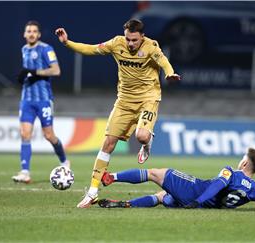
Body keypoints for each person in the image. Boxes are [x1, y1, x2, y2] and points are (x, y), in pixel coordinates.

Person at [55, 19, 181, 208]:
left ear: (142, 37)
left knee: (141, 135)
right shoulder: (116, 43)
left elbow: (163, 61)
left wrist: (170, 73)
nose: (130, 43)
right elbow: (90, 49)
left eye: (134, 40)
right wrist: (67, 42)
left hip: (148, 97)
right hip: (124, 101)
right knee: (108, 143)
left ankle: (147, 142)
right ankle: (92, 192)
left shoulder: (151, 46)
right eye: (128, 39)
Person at [98, 148, 255, 210]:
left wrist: (197, 199)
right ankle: (127, 204)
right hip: (201, 206)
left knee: (156, 173)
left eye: (243, 158)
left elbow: (216, 186)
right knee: (162, 196)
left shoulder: (230, 172)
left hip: (195, 193)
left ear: (245, 164)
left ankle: (111, 177)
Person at [12, 20, 70, 184]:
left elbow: (56, 70)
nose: (31, 33)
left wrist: (34, 72)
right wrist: (24, 77)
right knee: (25, 134)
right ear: (24, 34)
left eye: (34, 31)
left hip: (43, 100)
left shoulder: (46, 49)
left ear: (38, 34)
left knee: (49, 136)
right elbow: (27, 72)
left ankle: (65, 162)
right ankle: (25, 172)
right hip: (26, 100)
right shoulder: (24, 49)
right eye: (28, 31)